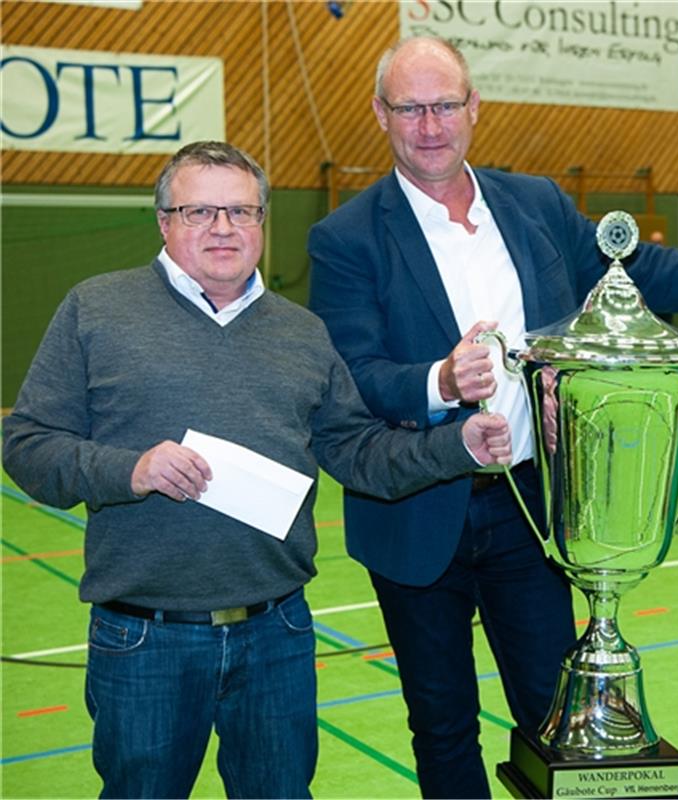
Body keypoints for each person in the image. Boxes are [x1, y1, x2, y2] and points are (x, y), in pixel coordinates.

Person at [1, 141, 514, 800]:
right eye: (200, 211)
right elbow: (28, 445)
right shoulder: (96, 309)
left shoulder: (302, 334)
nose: (223, 228)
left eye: (241, 212)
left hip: (278, 635)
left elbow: (358, 451)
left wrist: (459, 445)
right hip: (143, 638)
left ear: (263, 223)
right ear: (163, 221)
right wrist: (128, 470)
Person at [307, 36, 678, 799]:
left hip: (531, 510)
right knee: (440, 725)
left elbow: (636, 271)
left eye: (445, 104)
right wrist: (440, 379)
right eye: (410, 108)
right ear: (381, 114)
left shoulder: (536, 203)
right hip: (415, 513)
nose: (430, 124)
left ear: (474, 108)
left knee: (556, 720)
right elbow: (353, 378)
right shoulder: (345, 238)